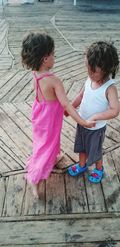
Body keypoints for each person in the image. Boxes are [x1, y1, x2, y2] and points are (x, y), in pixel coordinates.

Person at [21, 32, 95, 198]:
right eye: (53, 54)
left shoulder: (36, 75)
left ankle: (52, 158)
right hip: (49, 120)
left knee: (44, 143)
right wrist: (82, 121)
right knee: (47, 146)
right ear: (45, 58)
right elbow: (66, 104)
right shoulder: (54, 80)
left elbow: (45, 99)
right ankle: (35, 179)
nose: (55, 57)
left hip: (40, 115)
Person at [67, 41, 120, 183]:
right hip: (82, 123)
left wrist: (97, 116)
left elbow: (115, 110)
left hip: (96, 129)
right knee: (82, 147)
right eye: (87, 69)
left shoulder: (110, 88)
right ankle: (82, 165)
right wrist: (70, 108)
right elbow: (80, 96)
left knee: (95, 151)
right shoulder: (89, 80)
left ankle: (98, 169)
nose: (89, 73)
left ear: (105, 68)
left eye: (92, 71)